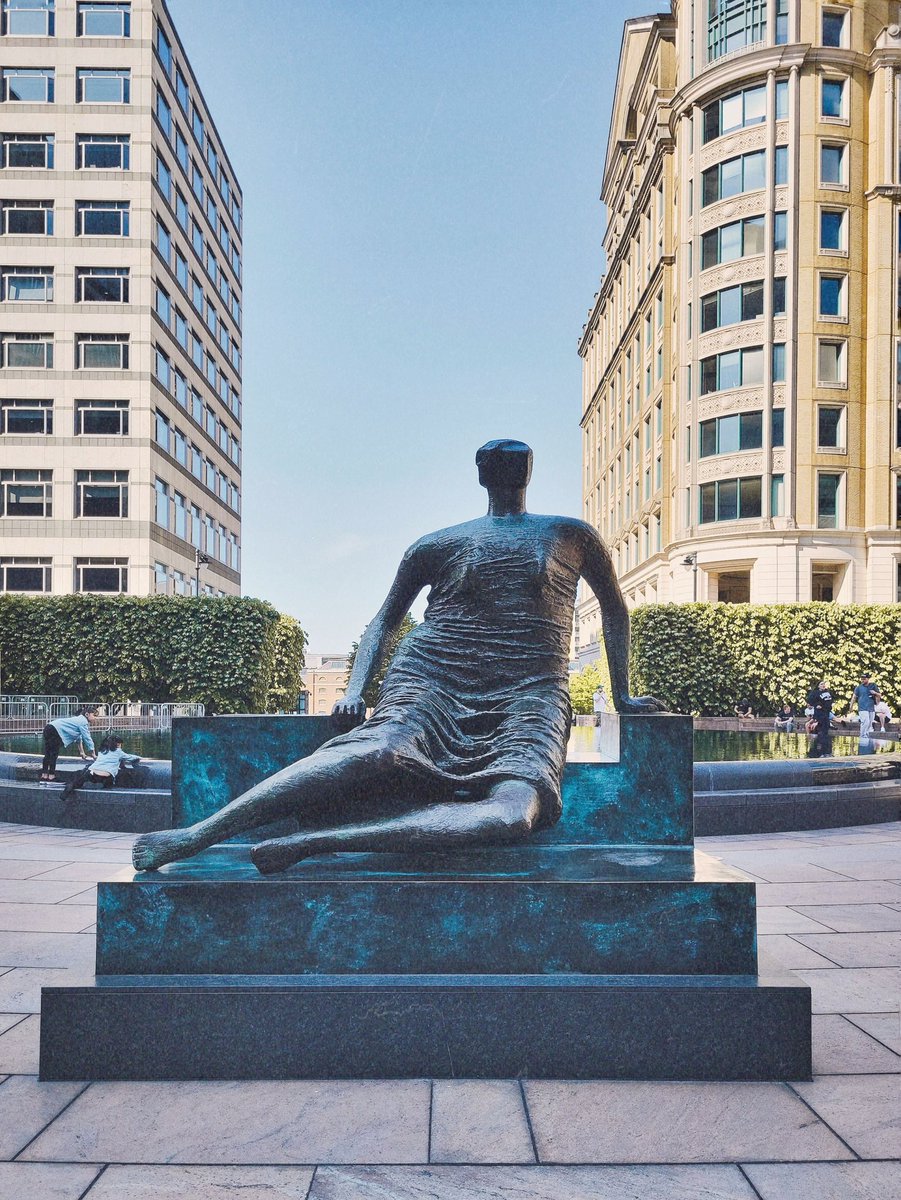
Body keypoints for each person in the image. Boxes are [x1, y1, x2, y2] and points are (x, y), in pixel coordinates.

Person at [133, 439, 664, 875]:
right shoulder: (436, 544)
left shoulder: (571, 535)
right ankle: (194, 835)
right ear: (482, 475)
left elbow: (616, 612)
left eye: (518, 458)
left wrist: (623, 694)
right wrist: (354, 691)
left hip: (530, 694)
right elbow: (385, 620)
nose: (511, 464)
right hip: (435, 680)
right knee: (376, 749)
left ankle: (317, 841)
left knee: (514, 816)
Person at [61, 735, 140, 801]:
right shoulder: (119, 752)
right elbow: (131, 757)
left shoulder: (102, 751)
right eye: (119, 744)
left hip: (91, 772)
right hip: (106, 776)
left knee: (78, 782)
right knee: (109, 782)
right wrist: (139, 758)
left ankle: (69, 789)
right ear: (117, 745)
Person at [40, 706, 101, 784]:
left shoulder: (78, 720)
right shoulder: (83, 722)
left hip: (49, 727)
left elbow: (79, 738)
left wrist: (82, 752)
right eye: (94, 715)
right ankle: (51, 776)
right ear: (87, 714)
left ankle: (44, 775)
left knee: (48, 753)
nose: (96, 718)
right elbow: (87, 738)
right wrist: (93, 754)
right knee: (53, 754)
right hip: (55, 730)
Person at [806, 680, 834, 756]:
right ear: (818, 686)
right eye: (821, 684)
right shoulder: (815, 693)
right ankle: (819, 752)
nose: (823, 685)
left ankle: (826, 751)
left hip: (826, 714)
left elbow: (830, 703)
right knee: (820, 733)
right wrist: (816, 705)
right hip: (819, 715)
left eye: (824, 684)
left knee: (825, 733)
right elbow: (809, 700)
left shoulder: (828, 692)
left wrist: (824, 707)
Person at [848, 673, 878, 739]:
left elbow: (879, 695)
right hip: (862, 707)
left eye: (864, 679)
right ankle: (862, 735)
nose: (862, 680)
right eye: (861, 679)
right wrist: (851, 707)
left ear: (868, 679)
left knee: (870, 724)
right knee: (865, 721)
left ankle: (866, 735)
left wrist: (875, 693)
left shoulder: (873, 686)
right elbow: (854, 697)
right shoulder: (858, 688)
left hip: (871, 708)